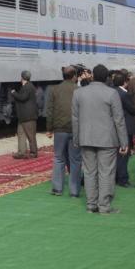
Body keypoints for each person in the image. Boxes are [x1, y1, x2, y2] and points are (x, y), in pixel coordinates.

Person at [72, 65, 128, 215]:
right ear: (107, 78)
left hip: (86, 137)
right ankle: (104, 206)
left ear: (93, 76)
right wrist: (124, 142)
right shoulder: (111, 93)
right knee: (106, 172)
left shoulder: (79, 93)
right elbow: (119, 119)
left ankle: (91, 205)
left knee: (89, 172)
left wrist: (76, 138)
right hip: (107, 139)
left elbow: (75, 119)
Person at [45, 66, 81, 197]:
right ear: (74, 76)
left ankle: (57, 189)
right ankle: (74, 191)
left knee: (58, 158)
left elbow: (50, 111)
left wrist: (49, 129)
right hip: (75, 129)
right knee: (75, 160)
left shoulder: (54, 90)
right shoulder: (79, 90)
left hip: (60, 129)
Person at [113, 72, 135, 188]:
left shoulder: (113, 92)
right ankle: (123, 179)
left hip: (115, 127)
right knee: (124, 154)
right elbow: (131, 109)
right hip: (125, 127)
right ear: (125, 82)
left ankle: (116, 176)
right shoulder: (124, 95)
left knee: (116, 154)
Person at [11, 70, 38, 159]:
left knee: (30, 135)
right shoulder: (28, 86)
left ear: (22, 77)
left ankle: (33, 153)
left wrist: (14, 92)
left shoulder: (28, 87)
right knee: (21, 133)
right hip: (23, 116)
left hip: (28, 116)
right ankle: (21, 152)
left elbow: (23, 98)